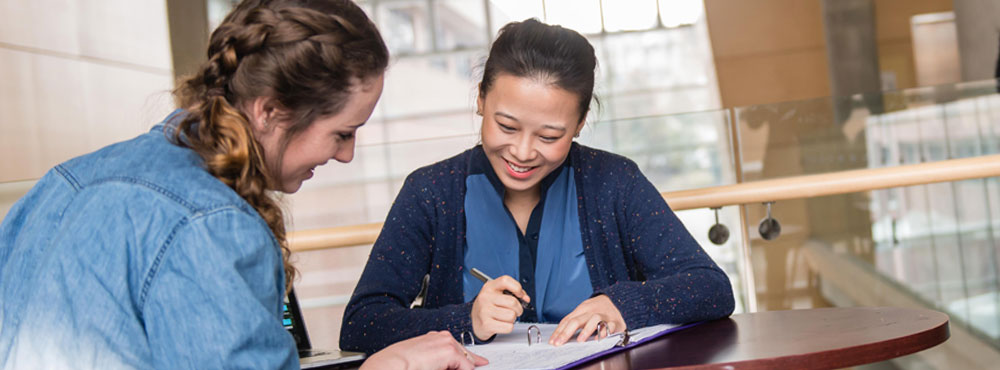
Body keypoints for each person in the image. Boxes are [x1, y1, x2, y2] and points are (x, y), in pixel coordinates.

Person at [0, 0, 483, 369]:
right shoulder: (215, 226)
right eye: (342, 133)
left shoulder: (63, 182)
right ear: (269, 110)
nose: (346, 154)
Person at [340, 18, 735, 354]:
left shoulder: (614, 182)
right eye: (506, 126)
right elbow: (362, 322)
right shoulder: (430, 192)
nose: (523, 152)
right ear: (480, 98)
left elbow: (711, 287)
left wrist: (622, 304)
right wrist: (467, 320)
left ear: (580, 124)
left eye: (549, 136)